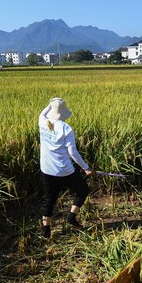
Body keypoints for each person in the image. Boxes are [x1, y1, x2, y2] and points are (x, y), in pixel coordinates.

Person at [39, 97, 93, 237]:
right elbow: (72, 152)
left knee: (49, 198)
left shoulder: (42, 121)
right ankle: (71, 217)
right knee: (82, 190)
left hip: (46, 168)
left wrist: (50, 104)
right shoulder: (66, 128)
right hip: (64, 170)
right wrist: (86, 168)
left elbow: (44, 112)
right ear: (63, 113)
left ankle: (46, 230)